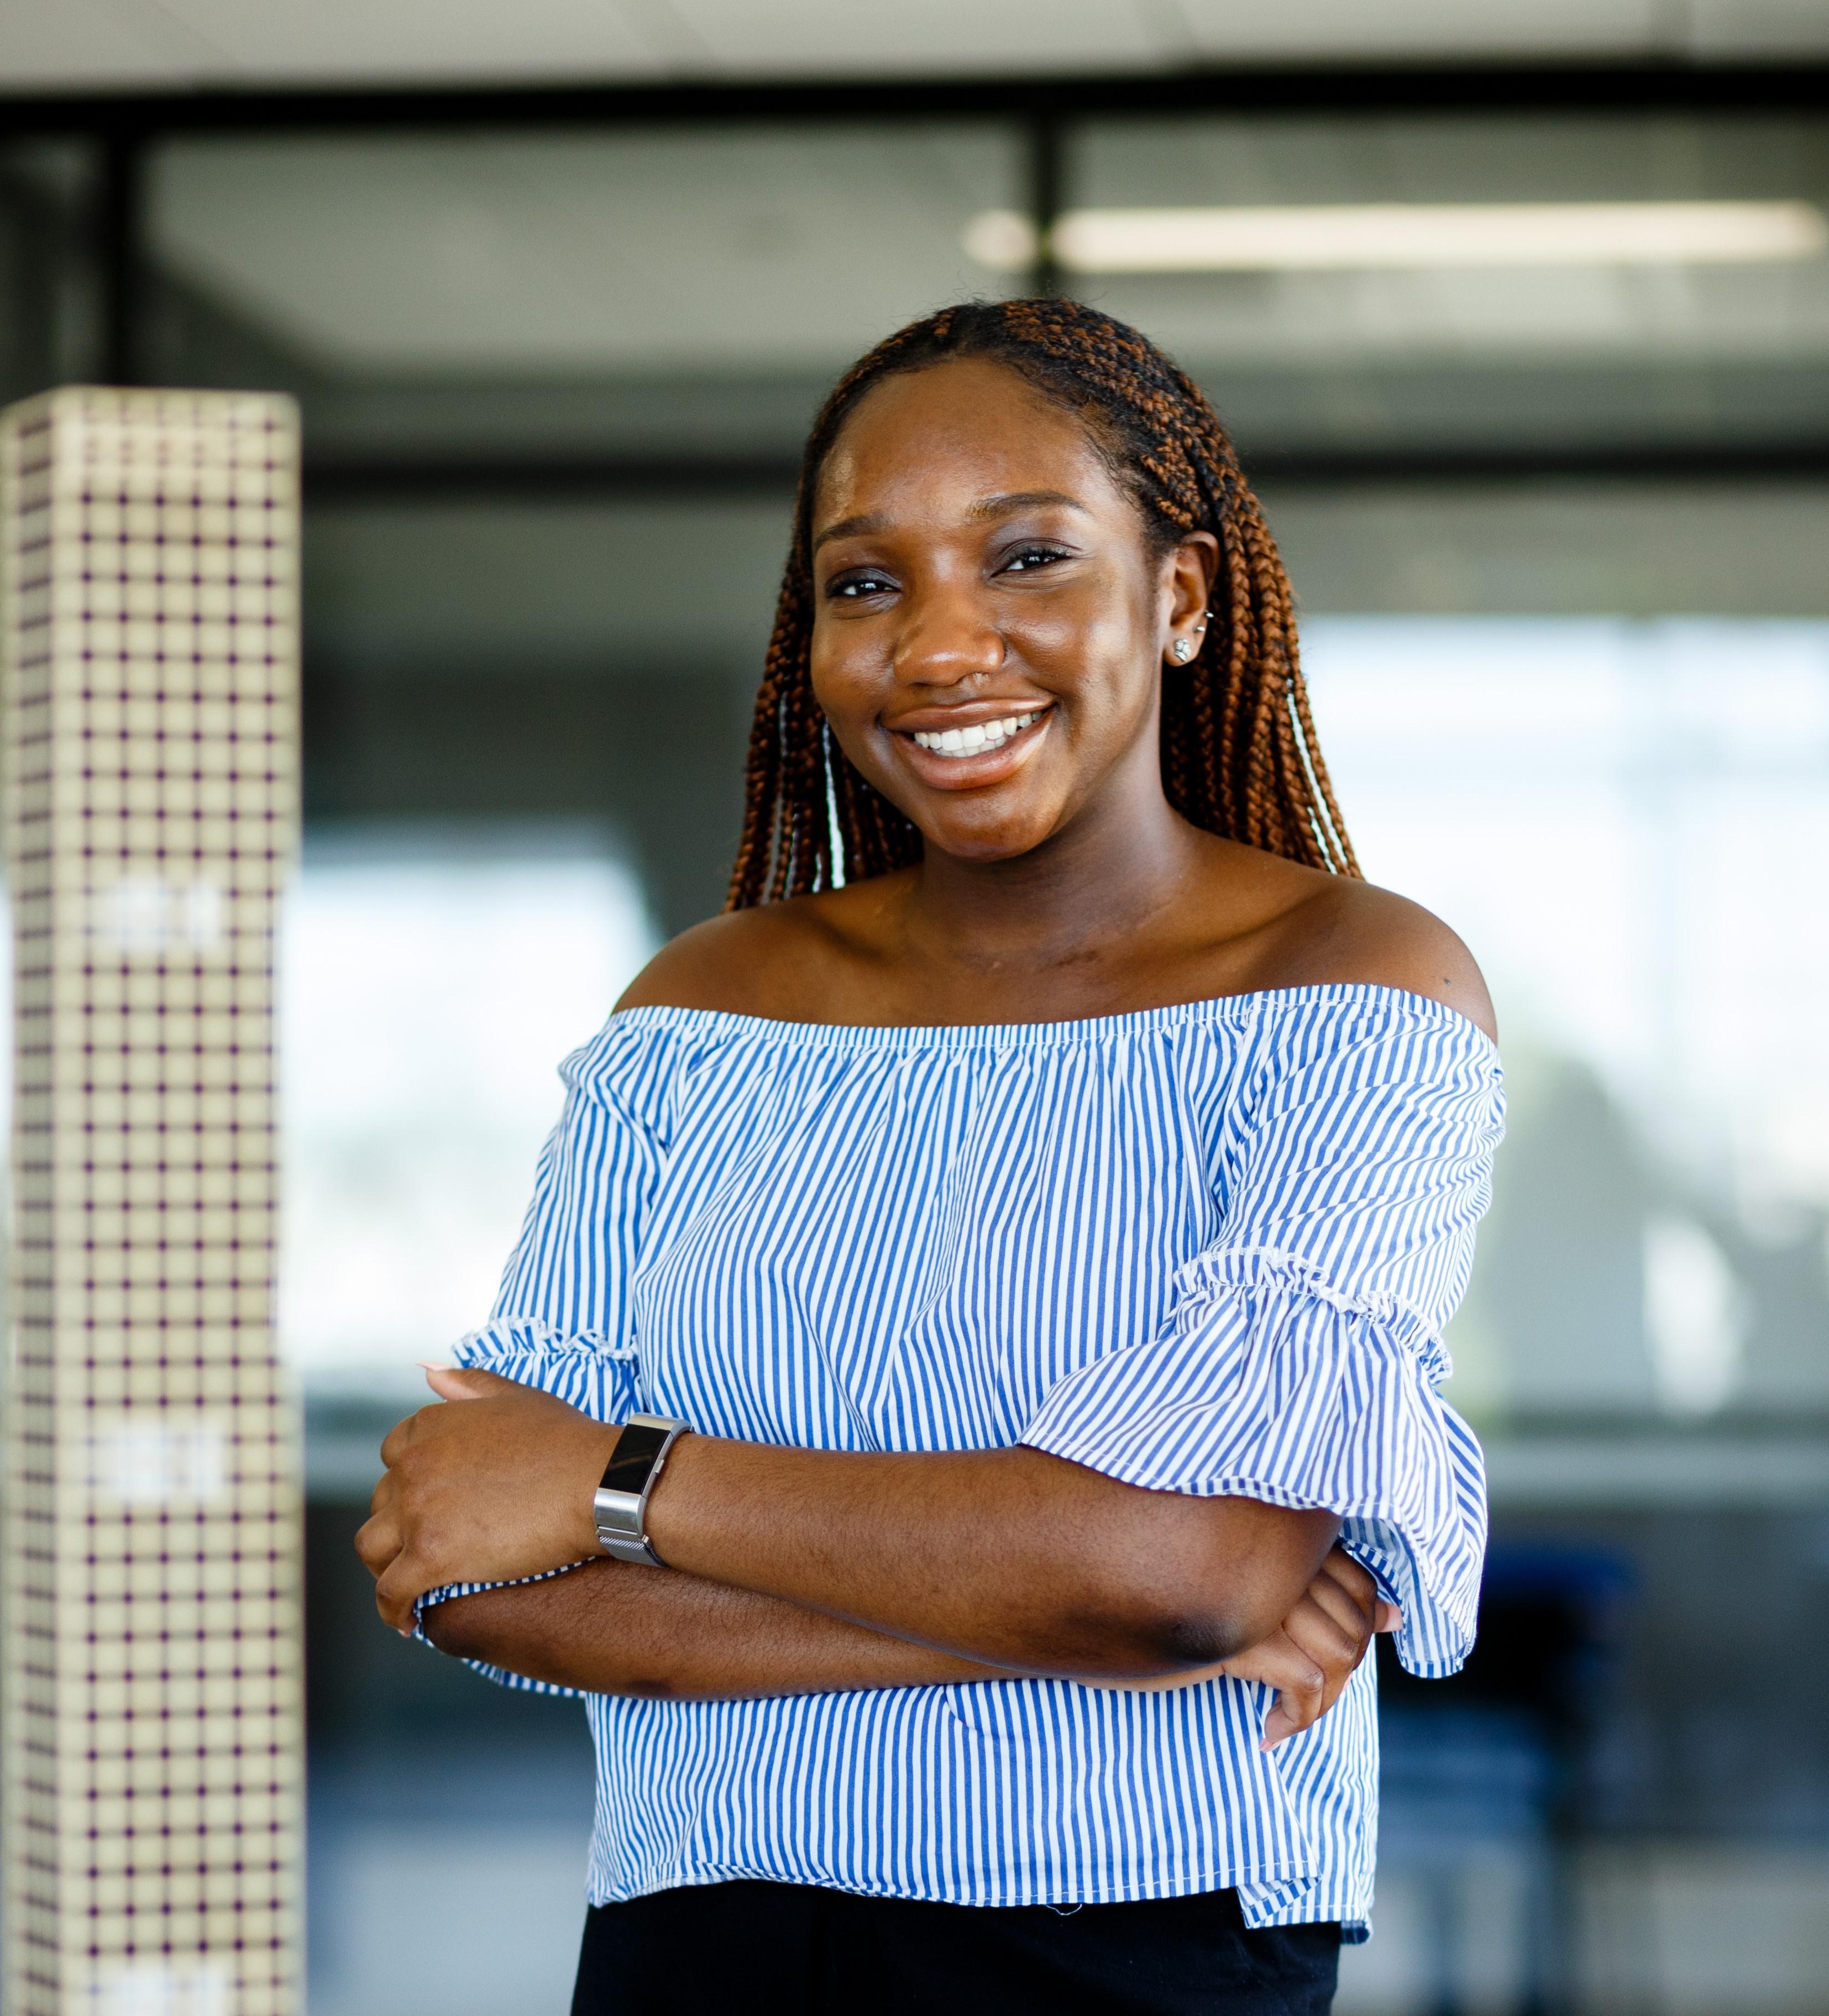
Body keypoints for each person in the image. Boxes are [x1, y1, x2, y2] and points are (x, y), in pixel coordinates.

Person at [355, 298, 1501, 2015]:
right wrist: (1092, 1616)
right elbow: (463, 1561)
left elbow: (1183, 1571)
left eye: (1028, 557)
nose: (941, 646)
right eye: (866, 581)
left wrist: (624, 1486)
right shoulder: (701, 1009)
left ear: (1180, 598)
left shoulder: (1353, 987)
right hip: (695, 1951)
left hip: (1128, 1953)